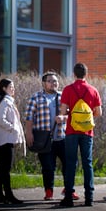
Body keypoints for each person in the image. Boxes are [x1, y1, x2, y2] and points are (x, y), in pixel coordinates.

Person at [25, 71, 78, 201]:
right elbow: (29, 117)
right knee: (48, 167)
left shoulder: (63, 96)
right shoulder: (36, 97)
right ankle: (49, 191)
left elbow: (73, 114)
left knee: (71, 164)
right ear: (43, 84)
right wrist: (28, 133)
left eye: (55, 81)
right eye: (50, 81)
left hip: (63, 137)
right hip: (44, 140)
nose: (53, 83)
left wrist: (64, 117)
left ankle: (69, 189)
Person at [60, 62, 102, 207]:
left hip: (71, 131)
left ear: (74, 74)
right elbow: (98, 112)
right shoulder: (93, 90)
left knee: (70, 163)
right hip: (87, 131)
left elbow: (63, 111)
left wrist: (71, 112)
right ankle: (89, 198)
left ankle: (69, 198)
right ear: (86, 74)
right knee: (87, 164)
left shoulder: (68, 89)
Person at [0, 78, 25, 204]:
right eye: (11, 87)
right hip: (6, 139)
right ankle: (8, 195)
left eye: (13, 86)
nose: (13, 89)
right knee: (5, 169)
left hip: (7, 139)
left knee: (2, 168)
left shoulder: (6, 101)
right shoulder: (5, 102)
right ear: (4, 88)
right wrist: (13, 128)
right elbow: (1, 120)